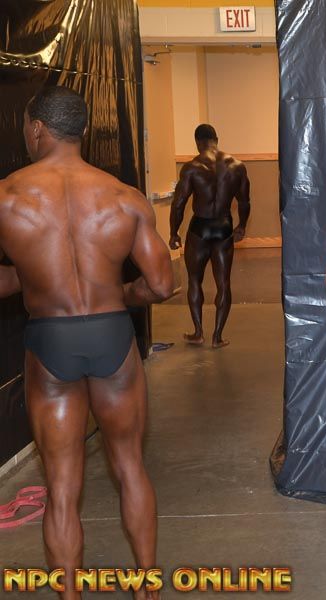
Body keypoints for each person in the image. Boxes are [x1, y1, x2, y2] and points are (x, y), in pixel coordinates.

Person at [0, 86, 174, 599]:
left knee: (61, 487)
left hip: (50, 339)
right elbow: (161, 285)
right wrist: (120, 293)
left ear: (37, 129)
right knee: (130, 467)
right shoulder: (125, 197)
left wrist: (34, 277)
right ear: (81, 131)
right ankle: (147, 589)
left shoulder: (7, 196)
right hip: (112, 336)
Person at [169, 124, 250, 348]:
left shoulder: (192, 167)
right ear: (217, 138)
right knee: (223, 283)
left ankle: (198, 333)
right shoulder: (237, 166)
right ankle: (217, 337)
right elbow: (244, 201)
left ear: (197, 141)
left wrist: (174, 232)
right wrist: (242, 226)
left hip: (200, 228)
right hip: (223, 227)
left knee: (195, 281)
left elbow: (179, 204)